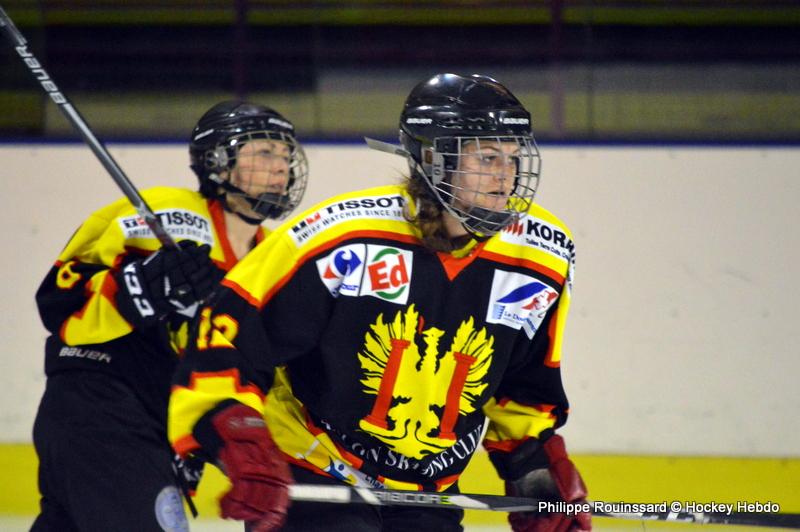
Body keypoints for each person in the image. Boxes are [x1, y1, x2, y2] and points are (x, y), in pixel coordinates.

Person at [168, 73, 591, 532]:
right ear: (435, 158)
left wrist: (534, 469)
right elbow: (228, 328)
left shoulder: (540, 254)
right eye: (488, 157)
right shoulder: (343, 238)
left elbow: (523, 383)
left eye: (513, 158)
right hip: (317, 467)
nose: (506, 175)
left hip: (426, 490)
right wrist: (239, 439)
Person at [31, 100, 309, 532]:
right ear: (219, 161)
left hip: (157, 428)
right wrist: (138, 290)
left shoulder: (272, 259)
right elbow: (58, 300)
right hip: (101, 405)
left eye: (286, 155)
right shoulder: (164, 214)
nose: (282, 168)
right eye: (265, 153)